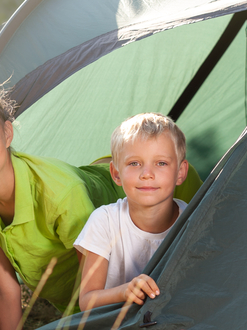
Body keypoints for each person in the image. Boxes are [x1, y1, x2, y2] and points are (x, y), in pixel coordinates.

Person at [0, 81, 199, 330]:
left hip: (144, 198)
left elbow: (91, 299)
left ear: (7, 133)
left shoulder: (62, 194)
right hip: (104, 278)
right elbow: (4, 284)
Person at [74, 113, 190, 312]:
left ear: (180, 172)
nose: (147, 174)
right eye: (134, 163)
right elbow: (86, 301)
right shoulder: (104, 221)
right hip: (116, 329)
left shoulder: (193, 220)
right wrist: (124, 292)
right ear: (116, 174)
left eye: (161, 163)